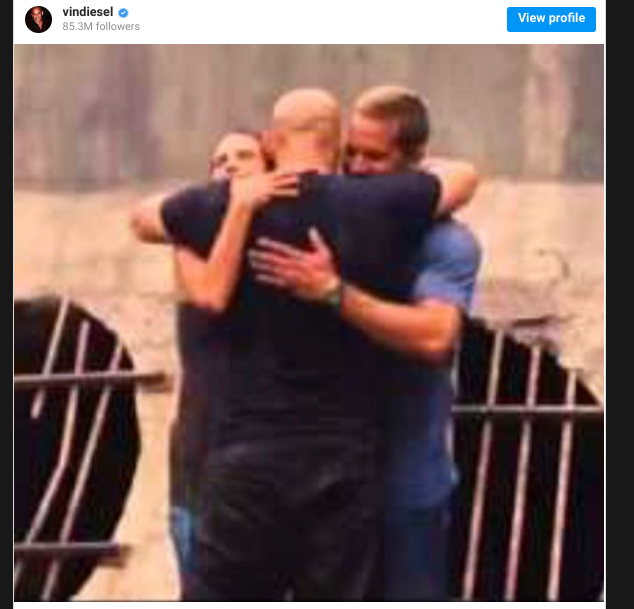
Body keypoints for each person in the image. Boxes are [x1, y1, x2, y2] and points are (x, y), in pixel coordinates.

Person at [131, 88, 476, 600]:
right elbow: (464, 178)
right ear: (336, 147)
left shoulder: (220, 206)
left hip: (245, 458)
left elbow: (142, 217)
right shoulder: (381, 204)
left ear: (272, 143)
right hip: (342, 460)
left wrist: (231, 203)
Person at [249, 85, 482, 600]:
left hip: (404, 479)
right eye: (349, 153)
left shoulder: (444, 241)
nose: (355, 167)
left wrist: (334, 293)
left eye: (373, 157)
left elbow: (435, 337)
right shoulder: (327, 219)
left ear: (415, 161)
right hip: (319, 478)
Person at [167, 130, 270, 587]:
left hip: (272, 462)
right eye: (219, 160)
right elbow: (211, 296)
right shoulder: (189, 241)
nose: (230, 165)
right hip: (203, 457)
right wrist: (240, 207)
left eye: (245, 155)